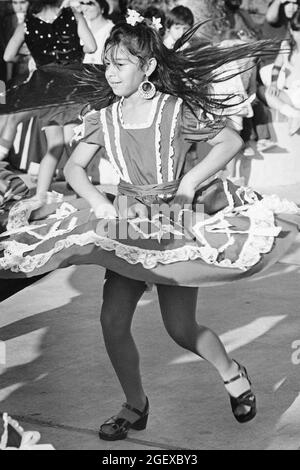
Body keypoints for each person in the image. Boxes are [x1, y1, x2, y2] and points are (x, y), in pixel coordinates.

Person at [0, 11, 299, 442]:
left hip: (172, 224)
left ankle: (232, 372)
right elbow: (76, 168)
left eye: (121, 64)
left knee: (180, 329)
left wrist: (191, 182)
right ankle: (134, 405)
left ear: (148, 67)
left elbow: (230, 141)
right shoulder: (103, 116)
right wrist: (100, 205)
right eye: (108, 63)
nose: (112, 72)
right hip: (124, 223)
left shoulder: (174, 110)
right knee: (112, 321)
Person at [0, 0, 96, 200]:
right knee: (73, 143)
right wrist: (75, 51)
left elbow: (8, 56)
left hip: (46, 89)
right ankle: (81, 191)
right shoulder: (73, 16)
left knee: (55, 144)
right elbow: (92, 46)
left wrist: (33, 53)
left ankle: (41, 194)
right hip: (72, 84)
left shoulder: (26, 24)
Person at [263, 8, 300, 135]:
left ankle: (294, 115)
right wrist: (273, 83)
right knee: (268, 93)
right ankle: (294, 114)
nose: (299, 35)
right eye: (297, 31)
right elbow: (276, 67)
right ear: (291, 30)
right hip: (289, 94)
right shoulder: (286, 46)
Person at [82, 0, 114, 65]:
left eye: (90, 4)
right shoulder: (82, 25)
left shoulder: (111, 30)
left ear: (102, 8)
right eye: (83, 3)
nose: (85, 8)